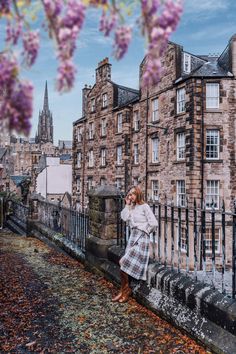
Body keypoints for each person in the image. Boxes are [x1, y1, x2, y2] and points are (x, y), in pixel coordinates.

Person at [112, 185, 158, 303]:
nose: (130, 196)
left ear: (138, 194)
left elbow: (153, 223)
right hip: (133, 237)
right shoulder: (131, 207)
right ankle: (123, 290)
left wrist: (144, 231)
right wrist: (127, 204)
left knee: (123, 262)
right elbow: (124, 217)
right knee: (123, 264)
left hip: (141, 239)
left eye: (132, 194)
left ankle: (126, 291)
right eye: (129, 194)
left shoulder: (144, 207)